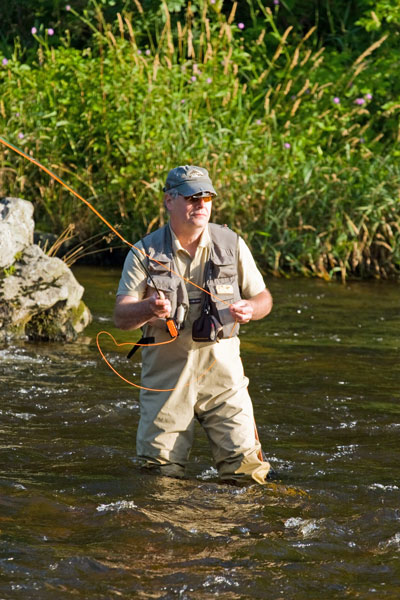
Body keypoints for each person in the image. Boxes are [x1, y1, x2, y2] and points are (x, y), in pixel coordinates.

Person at [114, 165, 273, 484]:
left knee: (248, 477)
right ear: (169, 201)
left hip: (225, 385)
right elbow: (121, 316)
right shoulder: (144, 252)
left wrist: (250, 309)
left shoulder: (232, 244)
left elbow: (264, 298)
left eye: (207, 198)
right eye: (192, 197)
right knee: (159, 481)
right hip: (166, 386)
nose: (201, 205)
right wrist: (148, 308)